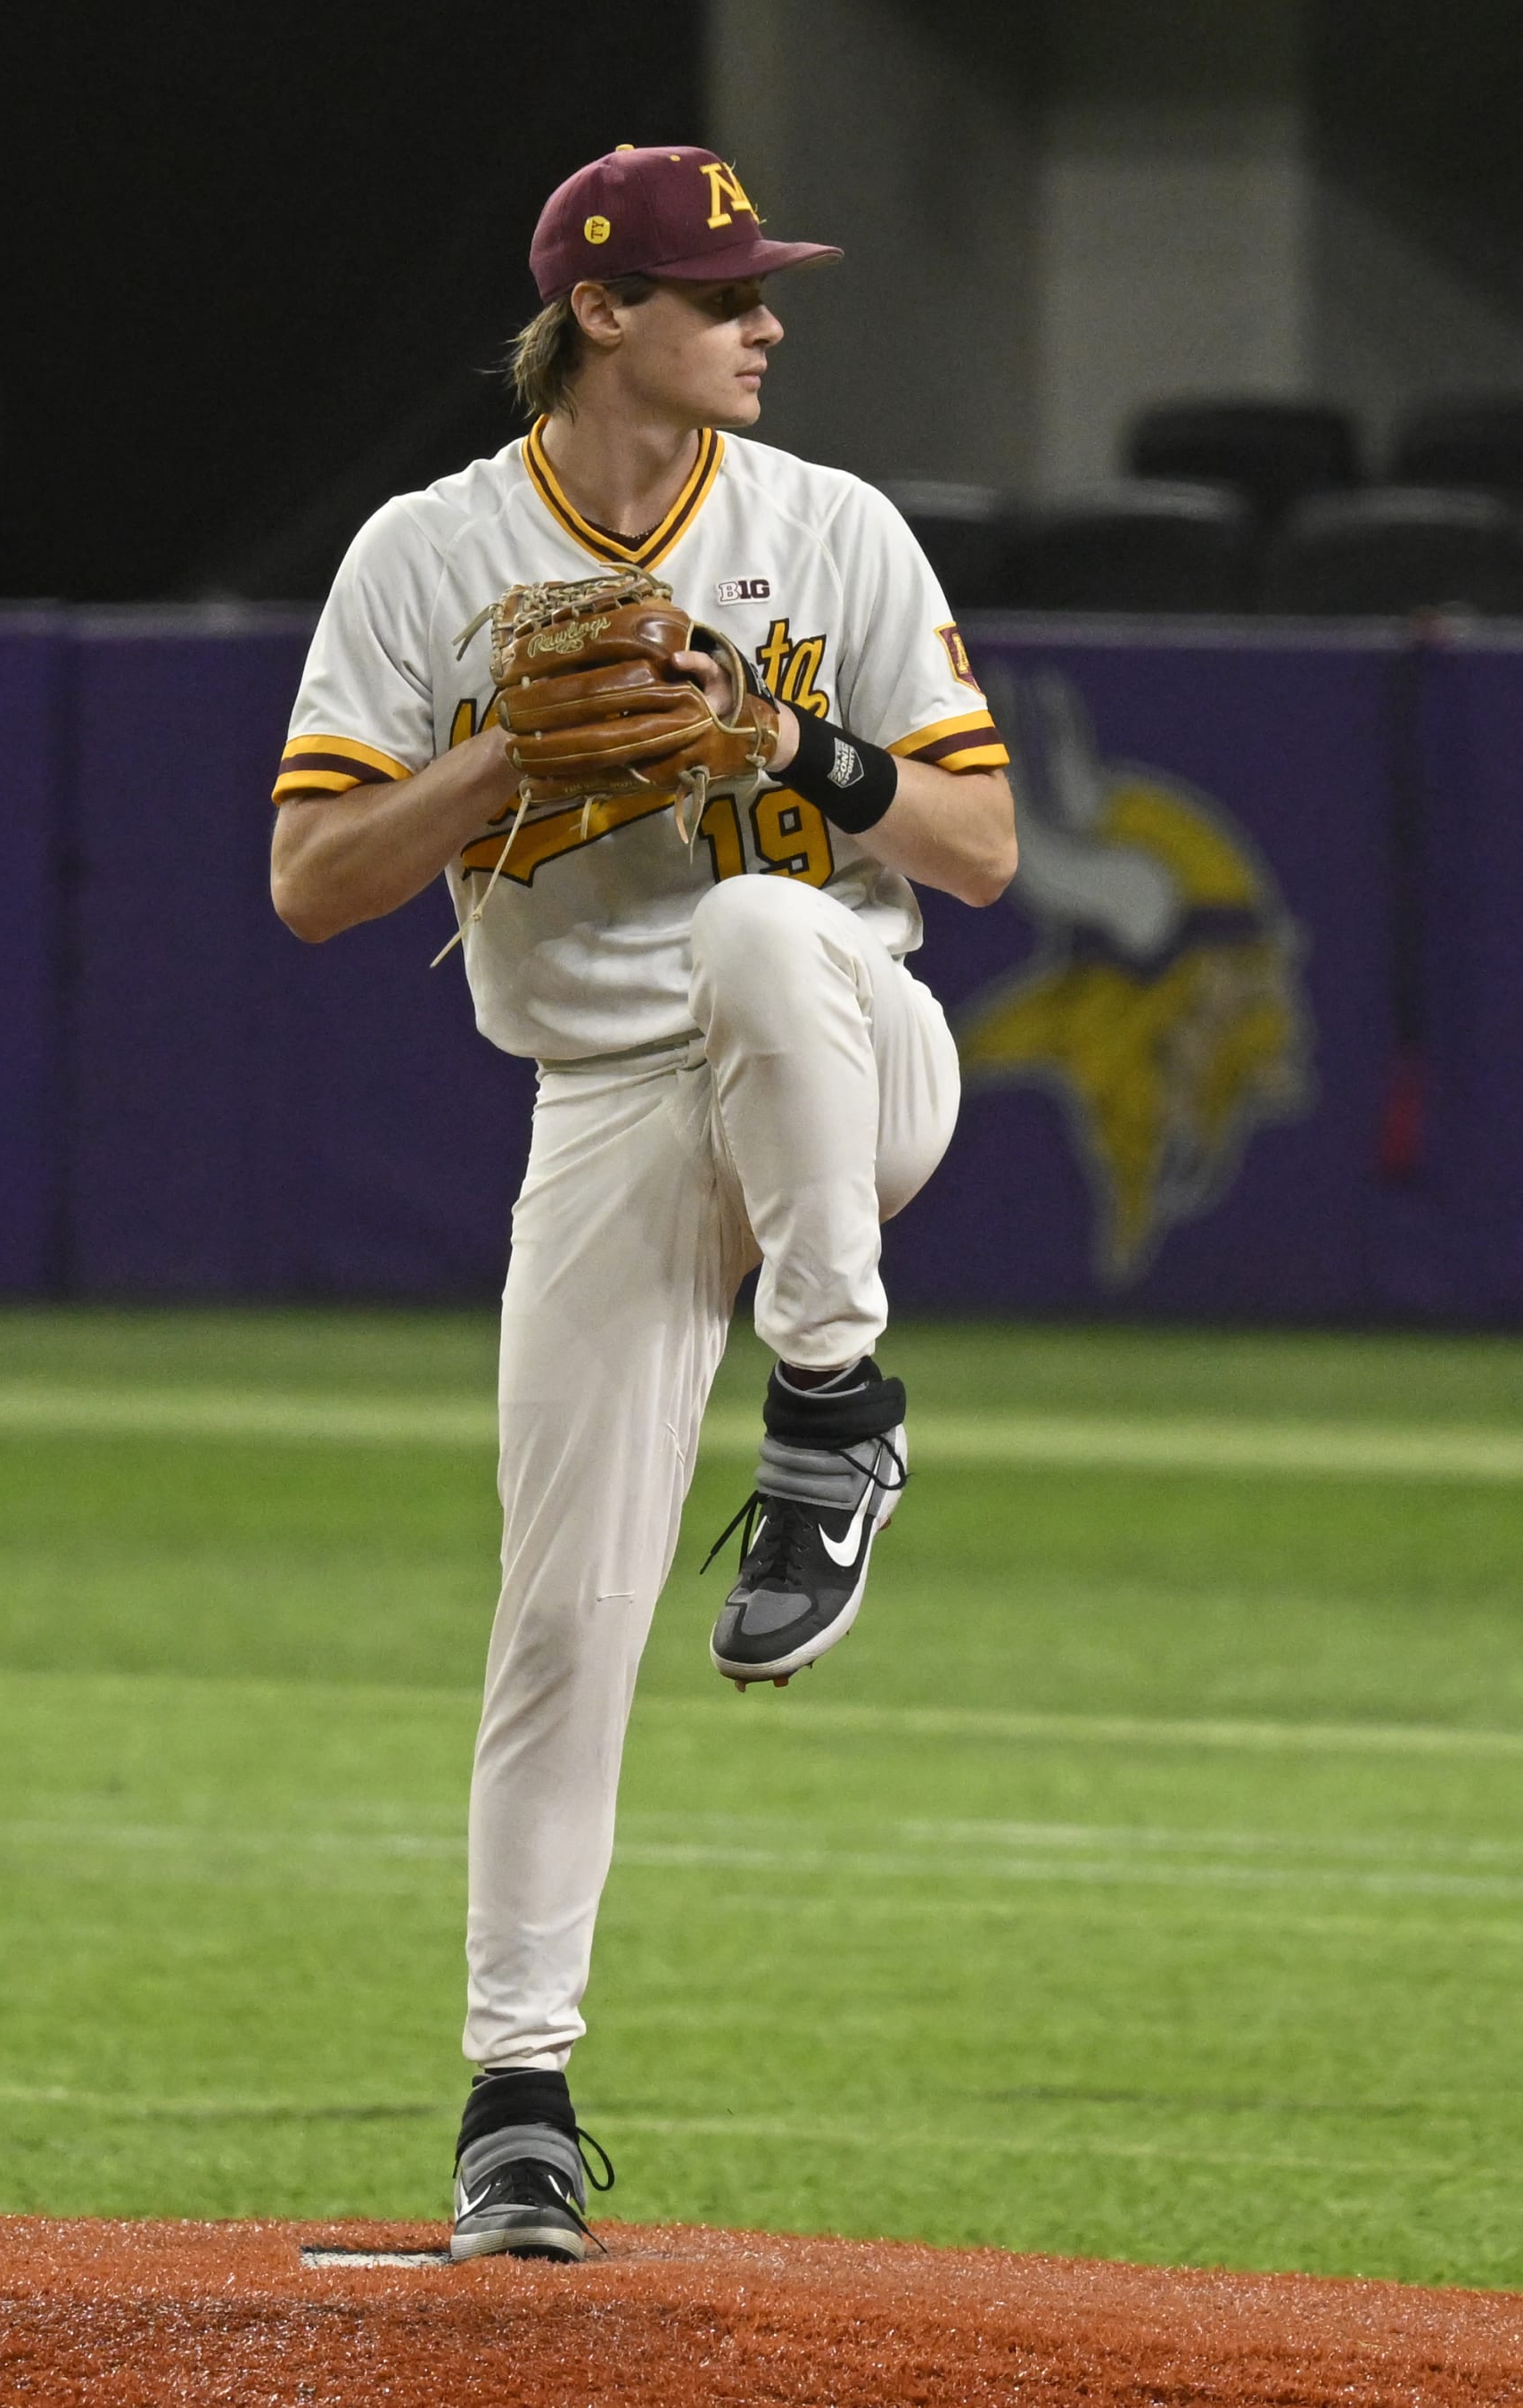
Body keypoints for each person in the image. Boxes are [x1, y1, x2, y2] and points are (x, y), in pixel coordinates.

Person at [268, 144, 1017, 2264]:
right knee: (564, 1614)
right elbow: (315, 884)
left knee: (770, 932)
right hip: (607, 1107)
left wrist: (805, 743)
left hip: (854, 1049)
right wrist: (500, 761)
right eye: (721, 291)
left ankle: (835, 1407)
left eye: (760, 287)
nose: (766, 317)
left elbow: (976, 853)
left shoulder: (829, 529)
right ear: (603, 311)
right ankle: (517, 2098)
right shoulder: (430, 558)